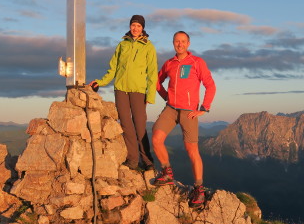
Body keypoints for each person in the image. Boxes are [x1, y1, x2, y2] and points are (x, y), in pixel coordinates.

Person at [152, 31, 216, 209]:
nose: (179, 44)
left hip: (189, 112)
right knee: (156, 139)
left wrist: (204, 108)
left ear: (188, 43)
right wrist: (166, 96)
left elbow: (210, 85)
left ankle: (199, 189)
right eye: (176, 41)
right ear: (173, 43)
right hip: (171, 109)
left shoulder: (197, 62)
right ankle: (167, 172)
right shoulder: (169, 63)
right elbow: (157, 81)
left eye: (182, 41)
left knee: (191, 150)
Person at [90, 15, 157, 170]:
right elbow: (113, 68)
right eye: (133, 25)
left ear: (143, 28)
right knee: (126, 125)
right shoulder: (122, 45)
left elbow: (152, 72)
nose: (135, 28)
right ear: (129, 26)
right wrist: (101, 82)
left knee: (140, 125)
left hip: (138, 90)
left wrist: (150, 95)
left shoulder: (148, 46)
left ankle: (147, 160)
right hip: (120, 89)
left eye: (139, 26)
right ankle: (133, 160)